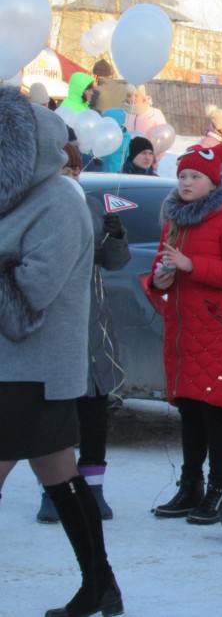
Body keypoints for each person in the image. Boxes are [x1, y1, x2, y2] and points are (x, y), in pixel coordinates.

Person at [0, 87, 124, 617]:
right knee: (60, 477)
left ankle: (101, 587)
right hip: (17, 371)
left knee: (60, 477)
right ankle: (101, 587)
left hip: (34, 372)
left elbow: (31, 294)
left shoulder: (59, 200)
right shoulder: (17, 199)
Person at [146, 144, 222, 525]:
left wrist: (191, 264)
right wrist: (159, 280)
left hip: (217, 330)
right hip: (183, 330)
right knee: (189, 408)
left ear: (213, 182)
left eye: (195, 176)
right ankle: (190, 484)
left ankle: (218, 488)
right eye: (182, 176)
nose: (186, 182)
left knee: (214, 409)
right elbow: (160, 268)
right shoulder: (175, 219)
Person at [36, 145, 132, 526]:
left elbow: (115, 262)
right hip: (52, 325)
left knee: (94, 409)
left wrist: (116, 236)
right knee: (54, 412)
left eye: (75, 171)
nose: (71, 178)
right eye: (64, 171)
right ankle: (52, 492)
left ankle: (93, 488)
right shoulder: (36, 208)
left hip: (92, 324)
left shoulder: (92, 206)